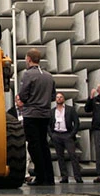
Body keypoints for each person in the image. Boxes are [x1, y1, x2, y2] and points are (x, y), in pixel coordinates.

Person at [16, 48, 55, 186]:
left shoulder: (28, 74)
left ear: (28, 59)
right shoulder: (49, 76)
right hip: (45, 115)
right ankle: (49, 177)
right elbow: (53, 96)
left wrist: (24, 101)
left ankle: (40, 177)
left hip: (31, 115)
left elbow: (23, 95)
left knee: (34, 146)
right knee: (44, 145)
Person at [48, 92, 83, 183]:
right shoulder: (52, 111)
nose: (59, 98)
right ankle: (64, 177)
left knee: (73, 155)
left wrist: (72, 134)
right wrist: (52, 135)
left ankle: (78, 176)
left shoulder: (70, 109)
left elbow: (76, 123)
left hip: (67, 135)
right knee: (60, 157)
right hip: (56, 135)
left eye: (61, 97)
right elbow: (48, 124)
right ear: (55, 99)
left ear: (63, 99)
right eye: (57, 97)